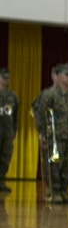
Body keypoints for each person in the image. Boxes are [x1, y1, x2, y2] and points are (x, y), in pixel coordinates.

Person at [31, 63, 68, 205]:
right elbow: (41, 114)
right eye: (67, 75)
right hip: (54, 136)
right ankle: (53, 191)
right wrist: (42, 132)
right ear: (58, 76)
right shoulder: (50, 94)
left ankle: (64, 190)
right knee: (54, 164)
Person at [0, 66, 18, 194]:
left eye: (8, 78)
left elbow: (15, 115)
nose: (6, 80)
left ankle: (1, 181)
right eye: (3, 78)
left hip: (7, 132)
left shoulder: (13, 96)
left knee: (5, 158)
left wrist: (14, 130)